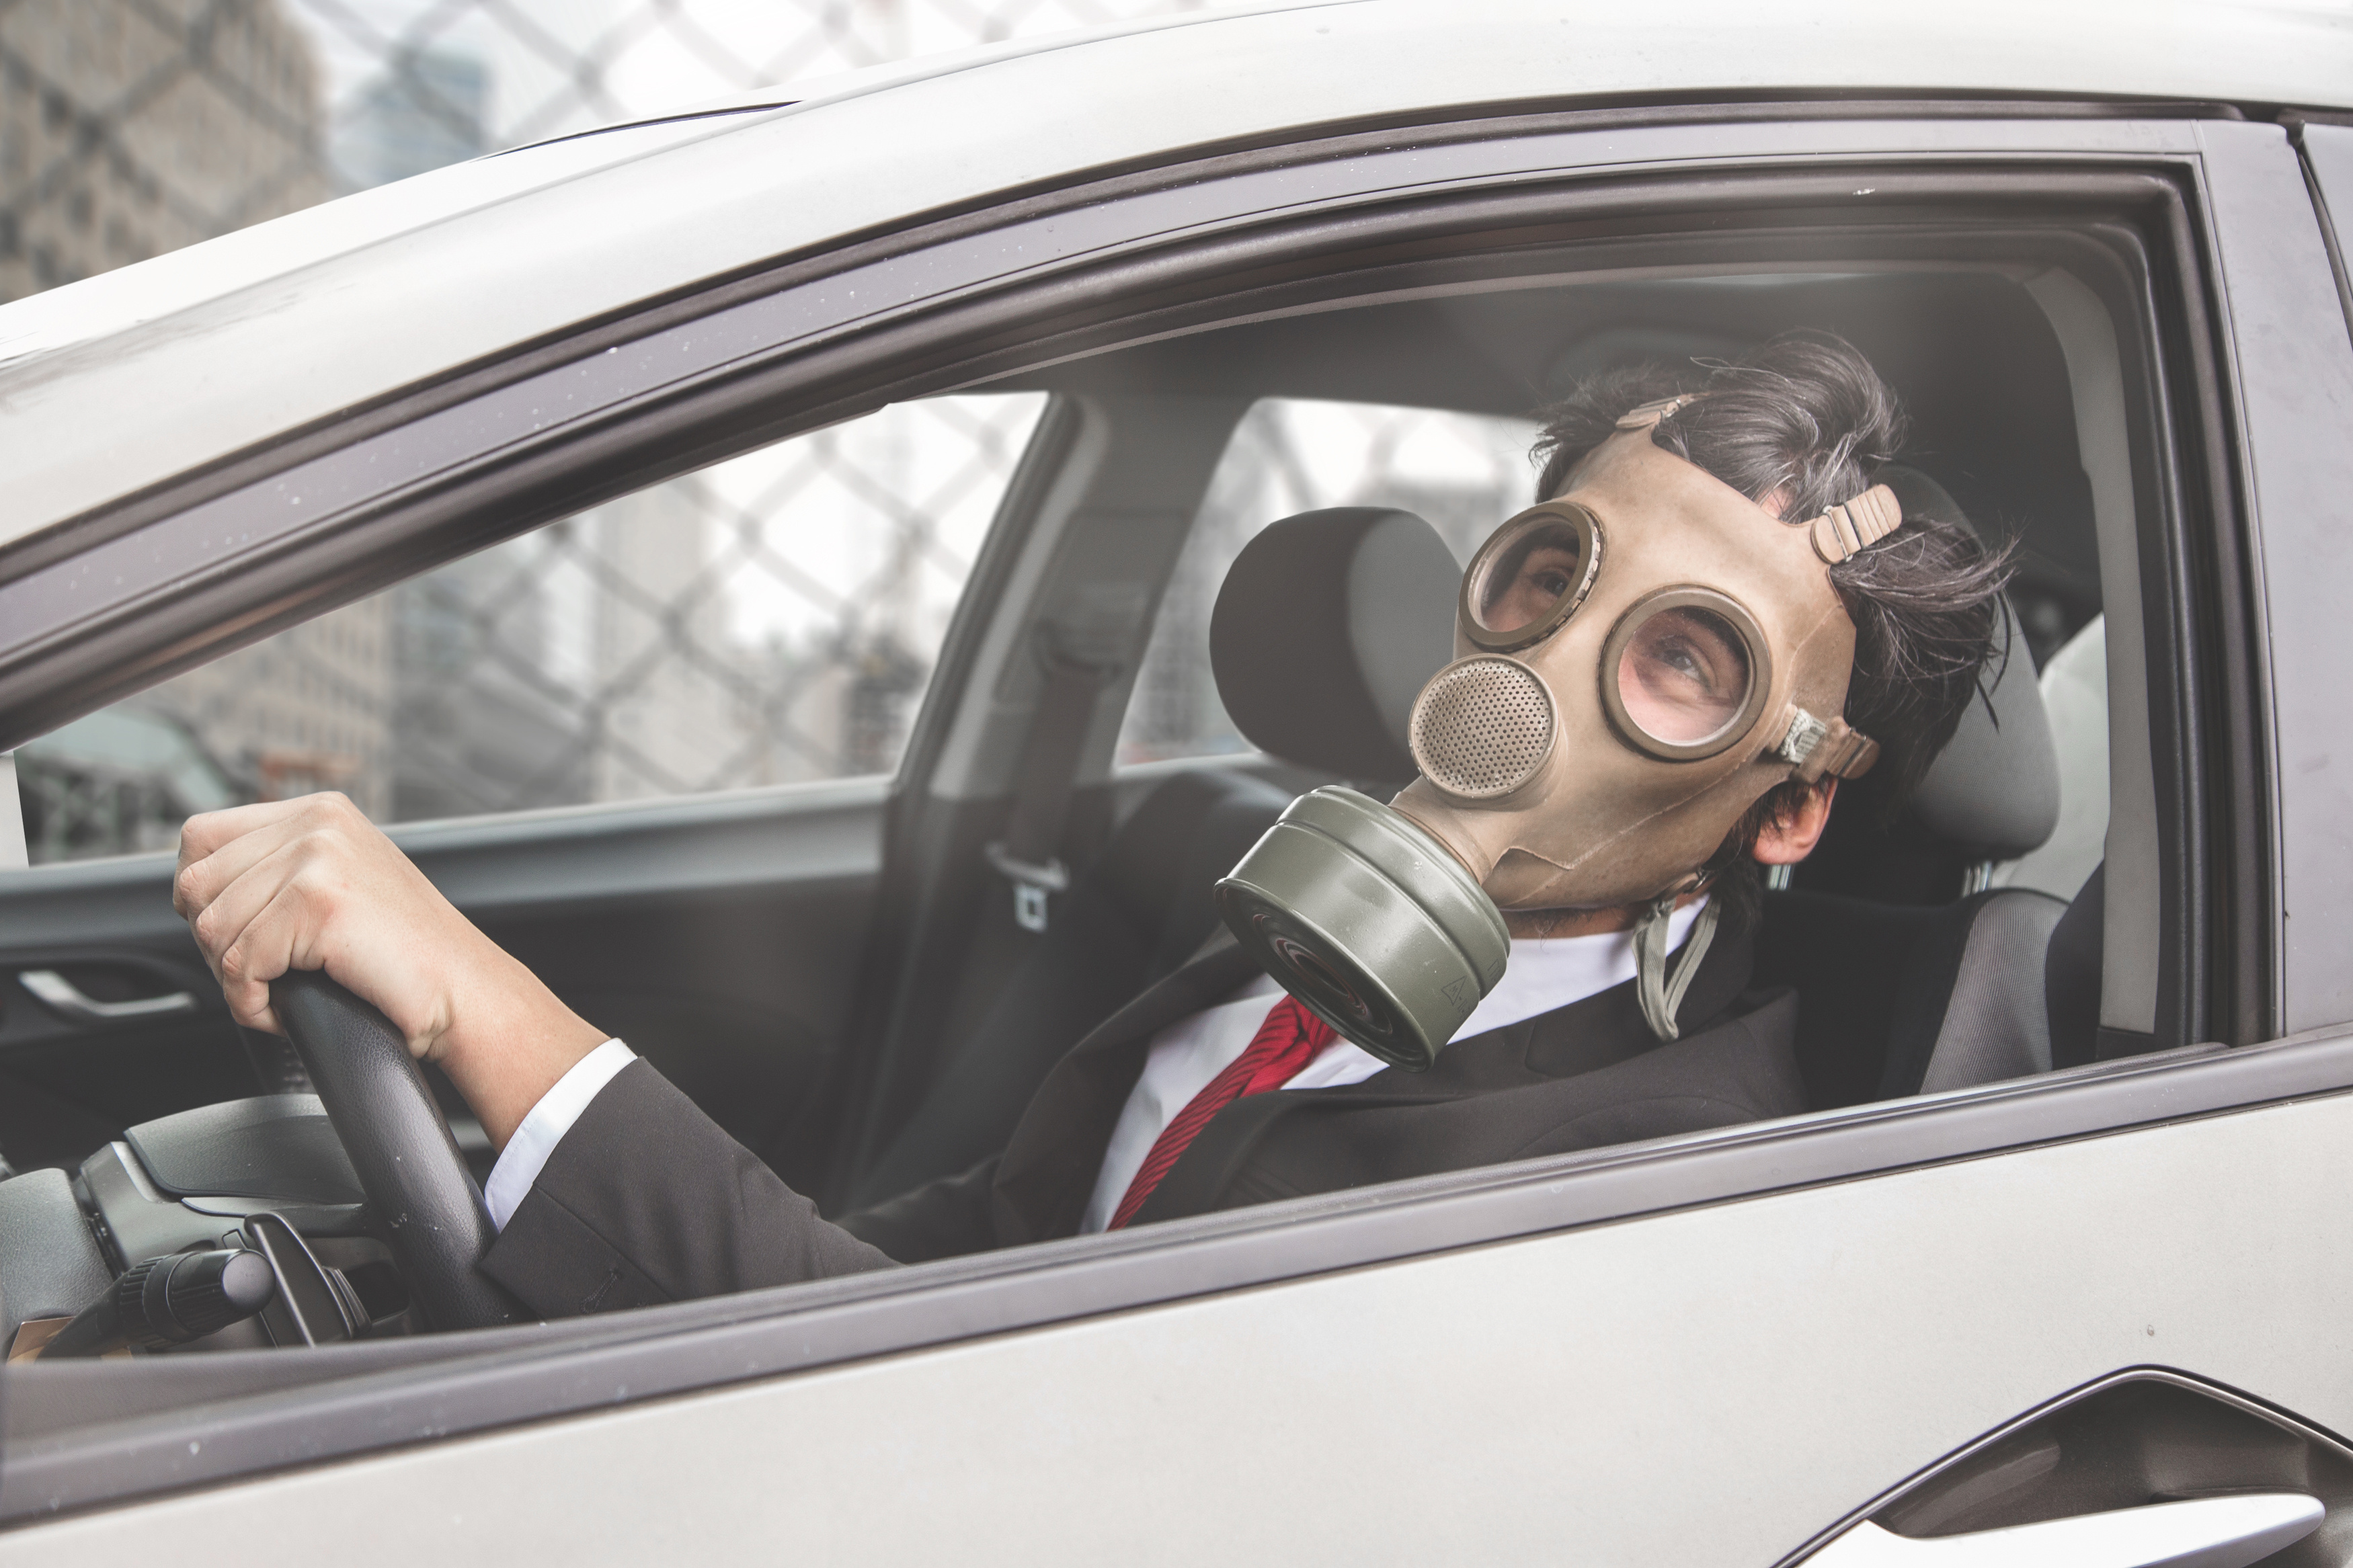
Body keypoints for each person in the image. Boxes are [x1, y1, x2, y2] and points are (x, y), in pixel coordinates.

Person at [171, 334, 2009, 1317]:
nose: (1536, 678)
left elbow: (931, 1412)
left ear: (1785, 805)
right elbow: (970, 1263)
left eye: (1681, 665)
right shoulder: (1270, 953)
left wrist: (481, 1004)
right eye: (1551, 576)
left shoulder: (1645, 1201)